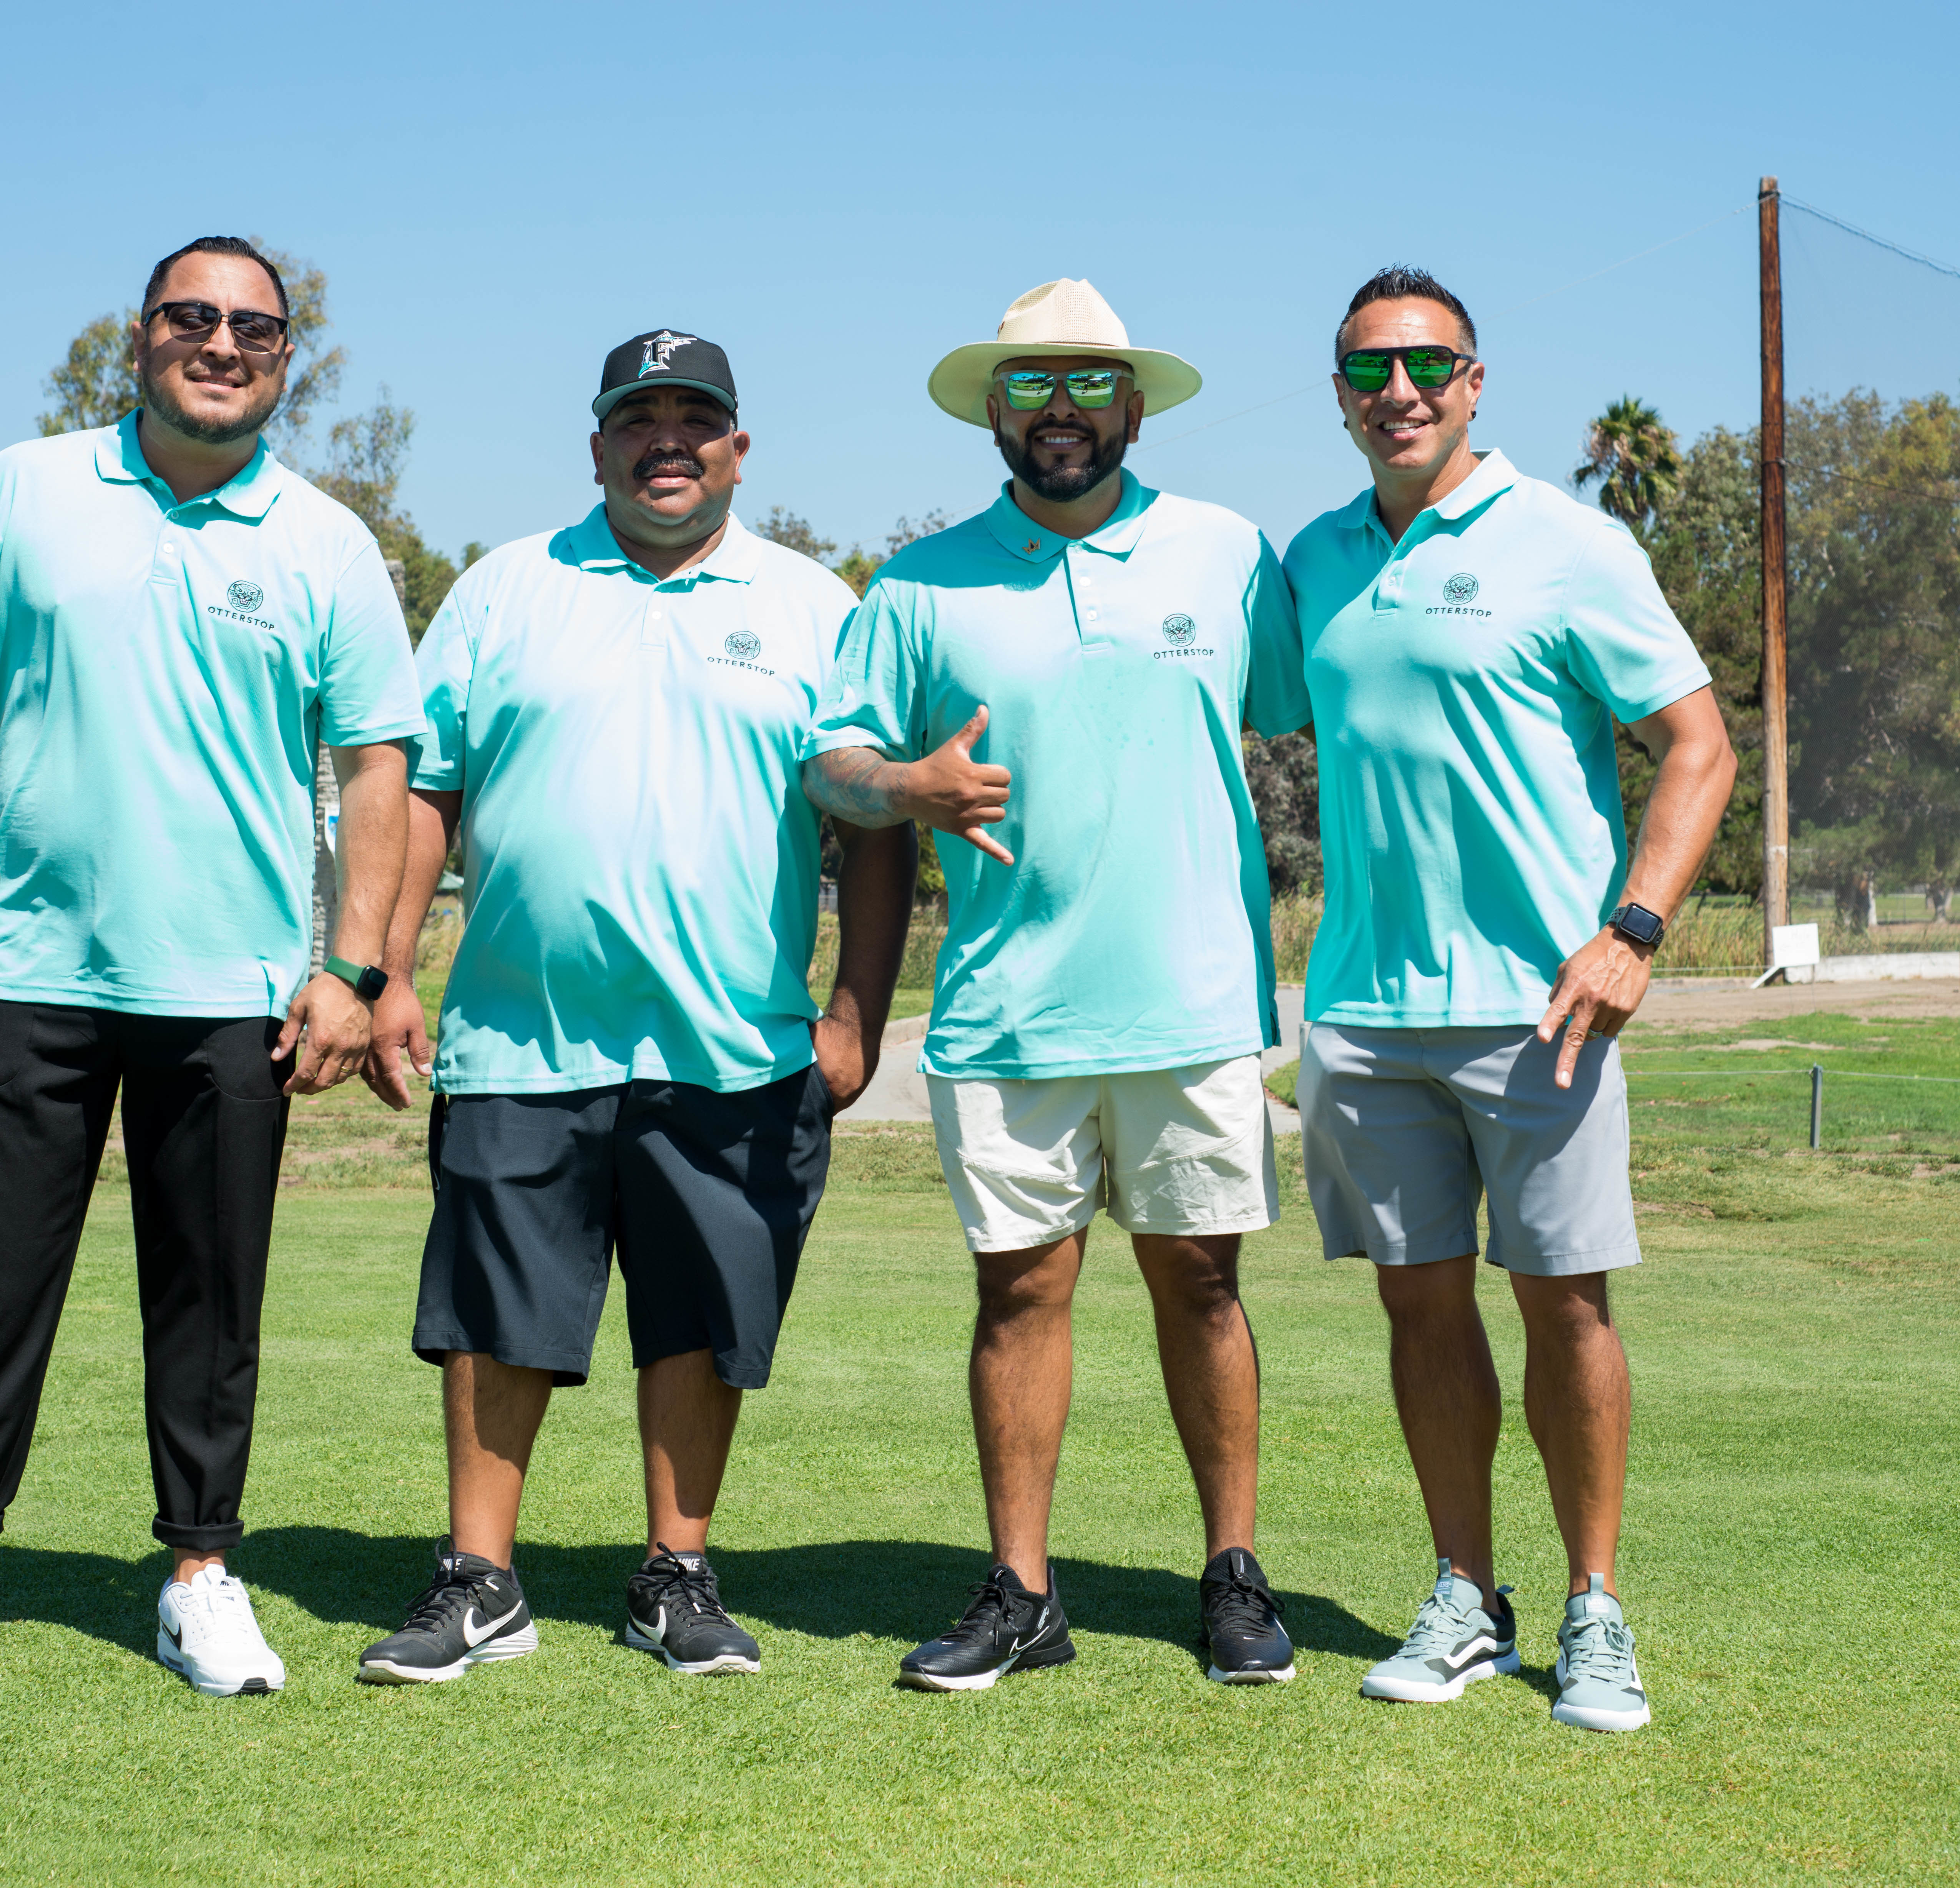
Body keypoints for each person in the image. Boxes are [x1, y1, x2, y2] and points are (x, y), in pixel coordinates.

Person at [0, 236, 425, 1705]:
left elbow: (376, 766)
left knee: (210, 1303)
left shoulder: (327, 541)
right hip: (31, 966)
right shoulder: (22, 488)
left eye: (254, 327)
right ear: (138, 336)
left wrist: (353, 967)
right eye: (192, 317)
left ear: (286, 358)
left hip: (234, 988)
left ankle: (201, 1578)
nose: (222, 343)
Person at [354, 331, 917, 1684]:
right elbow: (428, 789)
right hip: (518, 1035)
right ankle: (479, 1580)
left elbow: (875, 822)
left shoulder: (814, 606)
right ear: (598, 444)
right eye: (638, 417)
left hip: (732, 1041)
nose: (668, 440)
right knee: (494, 1313)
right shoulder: (506, 589)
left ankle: (675, 1574)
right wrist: (388, 970)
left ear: (738, 447)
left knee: (699, 1318)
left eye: (694, 418)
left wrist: (856, 1010)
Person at [804, 279, 1312, 1692]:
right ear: (993, 408)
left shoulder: (1227, 555)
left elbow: (1308, 706)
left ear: (1133, 404)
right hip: (1005, 1010)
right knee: (1020, 1295)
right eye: (1031, 386)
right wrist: (905, 786)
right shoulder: (917, 583)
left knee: (1202, 1285)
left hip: (1192, 1003)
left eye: (1090, 383)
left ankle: (1232, 1573)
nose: (1062, 411)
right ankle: (1021, 1594)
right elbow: (831, 761)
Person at [1285, 265, 1736, 1733]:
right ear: (1339, 395)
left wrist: (1632, 933)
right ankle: (1465, 1597)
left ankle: (1593, 1608)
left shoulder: (1568, 543)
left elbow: (1697, 746)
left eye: (1427, 365)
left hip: (1543, 1012)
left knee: (1565, 1305)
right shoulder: (1314, 559)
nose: (1398, 392)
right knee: (1419, 1307)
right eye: (1369, 370)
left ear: (1474, 382)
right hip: (1363, 1015)